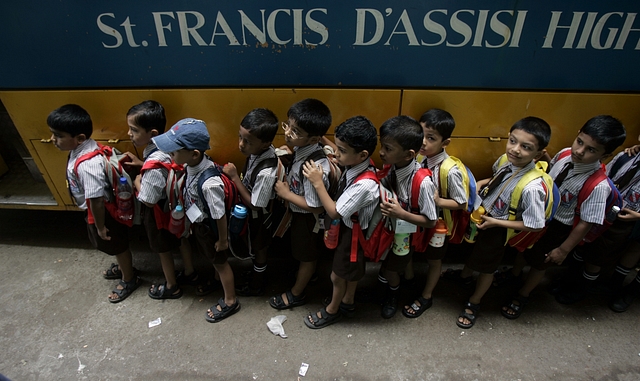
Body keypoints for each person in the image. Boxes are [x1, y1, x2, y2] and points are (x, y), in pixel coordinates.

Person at [495, 115, 625, 319]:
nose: (579, 151)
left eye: (591, 150)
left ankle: (523, 294)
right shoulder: (565, 154)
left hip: (558, 227)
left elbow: (586, 222)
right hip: (539, 214)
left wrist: (563, 250)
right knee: (523, 248)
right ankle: (514, 274)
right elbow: (551, 171)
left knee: (541, 263)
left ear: (606, 156)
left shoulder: (597, 185)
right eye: (580, 142)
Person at [449, 117, 551, 328]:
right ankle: (465, 276)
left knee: (487, 268)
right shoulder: (507, 160)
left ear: (538, 154)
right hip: (484, 217)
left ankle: (474, 302)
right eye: (512, 141)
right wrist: (482, 183)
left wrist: (497, 223)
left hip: (497, 229)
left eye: (526, 147)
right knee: (474, 253)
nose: (515, 149)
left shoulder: (533, 187)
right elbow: (499, 177)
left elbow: (535, 224)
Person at [48, 104, 139, 303]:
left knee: (116, 245)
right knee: (114, 244)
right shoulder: (86, 147)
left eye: (58, 135)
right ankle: (125, 268)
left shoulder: (88, 166)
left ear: (79, 138)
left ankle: (129, 278)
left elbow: (96, 200)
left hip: (104, 213)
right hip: (100, 210)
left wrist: (100, 226)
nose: (53, 139)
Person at [153, 118, 240, 322]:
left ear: (194, 154)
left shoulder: (210, 184)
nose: (170, 155)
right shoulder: (194, 164)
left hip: (211, 231)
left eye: (174, 152)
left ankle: (230, 300)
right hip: (201, 226)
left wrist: (223, 240)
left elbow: (219, 215)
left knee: (221, 263)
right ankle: (217, 282)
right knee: (212, 259)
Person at [301, 116, 379, 328]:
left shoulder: (364, 186)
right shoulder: (362, 164)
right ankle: (348, 301)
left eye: (342, 151)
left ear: (361, 155)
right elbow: (344, 153)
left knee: (337, 276)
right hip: (355, 232)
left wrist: (318, 183)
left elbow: (335, 212)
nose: (336, 154)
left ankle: (332, 310)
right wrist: (327, 142)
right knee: (350, 272)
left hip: (352, 236)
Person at [553, 130, 638, 305]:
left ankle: (581, 288)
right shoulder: (627, 156)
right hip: (604, 208)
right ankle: (570, 280)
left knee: (597, 258)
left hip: (624, 220)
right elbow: (607, 174)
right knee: (584, 247)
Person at [122, 100, 195, 299]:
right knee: (181, 239)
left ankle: (172, 286)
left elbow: (148, 200)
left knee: (163, 249)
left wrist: (138, 180)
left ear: (153, 134)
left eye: (134, 130)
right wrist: (142, 163)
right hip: (176, 207)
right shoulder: (169, 148)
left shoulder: (153, 164)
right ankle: (189, 272)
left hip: (159, 214)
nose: (129, 134)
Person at [402, 109, 468, 318]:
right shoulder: (419, 156)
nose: (423, 142)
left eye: (431, 138)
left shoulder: (449, 170)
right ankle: (409, 279)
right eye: (421, 134)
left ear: (445, 143)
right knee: (408, 247)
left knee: (434, 259)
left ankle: (427, 296)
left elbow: (461, 202)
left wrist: (438, 201)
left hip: (438, 225)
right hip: (415, 217)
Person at [269, 98, 332, 310]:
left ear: (314, 138)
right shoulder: (301, 150)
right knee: (301, 252)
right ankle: (307, 276)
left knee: (307, 256)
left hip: (308, 219)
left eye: (295, 132)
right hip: (299, 216)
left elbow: (316, 206)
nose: (287, 133)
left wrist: (286, 194)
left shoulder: (315, 166)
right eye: (288, 125)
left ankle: (297, 293)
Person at [377, 115, 438, 319]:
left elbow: (430, 220)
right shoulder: (394, 166)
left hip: (404, 237)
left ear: (408, 154)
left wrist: (401, 213)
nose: (381, 152)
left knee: (391, 271)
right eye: (382, 146)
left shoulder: (423, 183)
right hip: (387, 230)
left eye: (388, 148)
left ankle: (393, 293)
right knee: (386, 266)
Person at [223, 108, 279, 296]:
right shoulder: (257, 152)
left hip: (260, 217)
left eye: (248, 142)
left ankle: (257, 283)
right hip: (253, 214)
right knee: (255, 248)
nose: (241, 145)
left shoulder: (266, 171)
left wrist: (234, 179)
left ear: (265, 144)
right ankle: (256, 272)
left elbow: (256, 204)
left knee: (259, 248)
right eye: (240, 137)